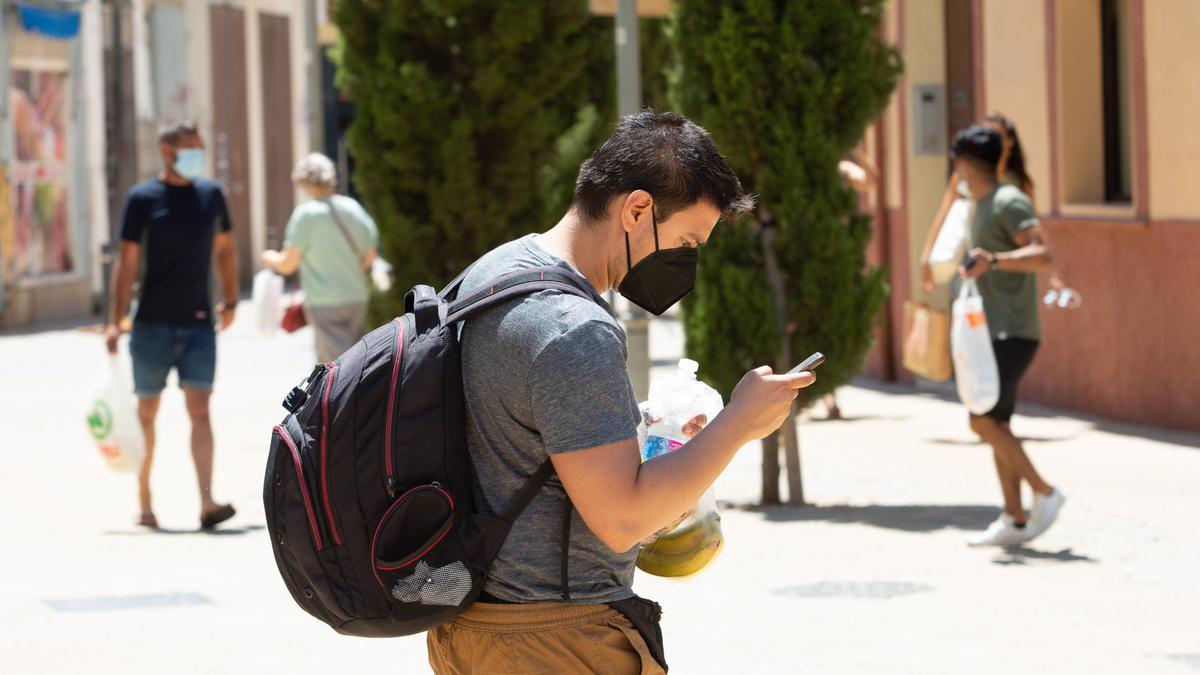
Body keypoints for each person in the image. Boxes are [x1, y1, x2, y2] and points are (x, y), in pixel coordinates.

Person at [426, 111, 815, 674]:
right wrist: (739, 422)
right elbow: (623, 519)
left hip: (471, 630)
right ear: (636, 210)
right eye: (685, 240)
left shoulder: (493, 273)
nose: (687, 262)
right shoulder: (572, 326)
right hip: (553, 638)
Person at [104, 121, 238, 530]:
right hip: (151, 327)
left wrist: (231, 300)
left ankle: (207, 501)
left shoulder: (211, 194)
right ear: (166, 151)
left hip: (199, 324)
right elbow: (126, 263)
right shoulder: (143, 198)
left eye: (199, 147)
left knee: (200, 409)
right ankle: (145, 501)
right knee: (147, 414)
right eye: (189, 148)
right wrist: (114, 320)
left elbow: (225, 249)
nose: (197, 154)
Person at [949, 125, 1065, 547]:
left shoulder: (1007, 201)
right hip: (990, 331)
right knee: (997, 421)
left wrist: (994, 259)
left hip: (1011, 329)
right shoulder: (978, 203)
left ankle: (1045, 493)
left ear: (963, 162)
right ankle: (1014, 518)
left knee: (982, 419)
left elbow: (1043, 253)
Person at [261, 153, 379, 363]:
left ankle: (339, 397)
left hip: (324, 302)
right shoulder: (353, 208)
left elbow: (288, 264)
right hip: (356, 296)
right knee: (358, 358)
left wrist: (269, 258)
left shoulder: (306, 215)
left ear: (303, 182)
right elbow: (370, 256)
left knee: (335, 366)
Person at [921, 113, 1035, 293]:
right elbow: (944, 213)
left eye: (996, 136)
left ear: (1010, 142)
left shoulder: (1018, 185)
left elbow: (1032, 234)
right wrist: (926, 257)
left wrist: (997, 260)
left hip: (1002, 263)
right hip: (967, 253)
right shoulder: (964, 176)